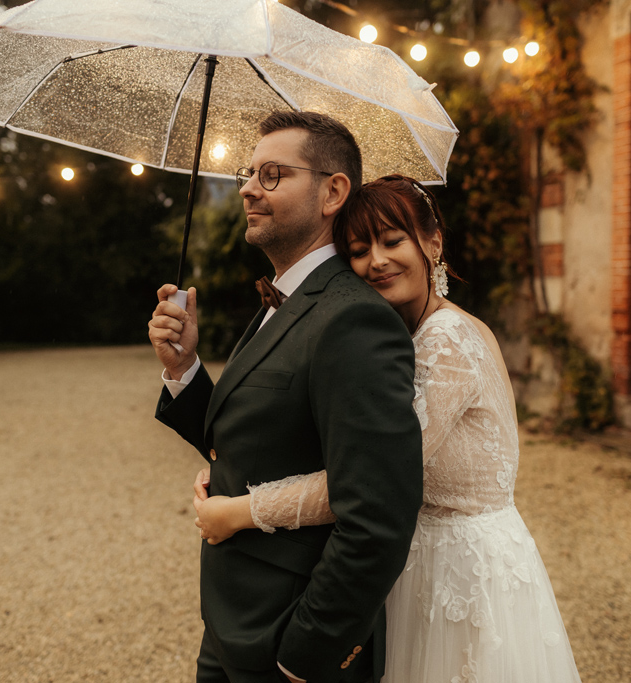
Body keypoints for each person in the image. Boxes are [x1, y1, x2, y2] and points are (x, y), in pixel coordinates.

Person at [192, 176, 583, 683]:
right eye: (358, 250)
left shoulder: (448, 341)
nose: (376, 261)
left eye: (393, 240)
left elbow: (371, 480)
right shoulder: (407, 334)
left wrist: (240, 511)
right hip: (408, 563)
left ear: (433, 242)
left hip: (460, 570)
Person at [148, 113, 424, 683]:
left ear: (332, 191)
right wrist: (184, 369)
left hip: (284, 642)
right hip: (231, 622)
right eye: (249, 173)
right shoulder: (289, 300)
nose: (248, 187)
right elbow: (253, 441)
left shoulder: (353, 322)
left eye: (272, 175)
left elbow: (377, 517)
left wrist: (303, 656)